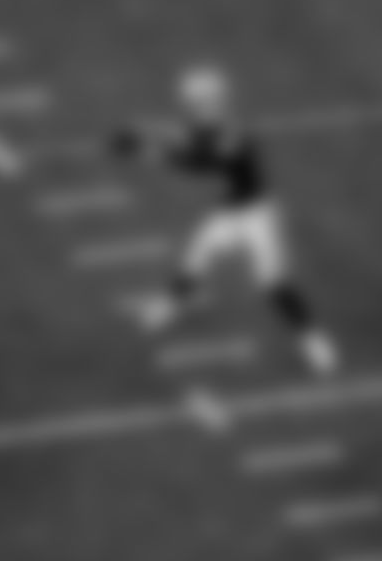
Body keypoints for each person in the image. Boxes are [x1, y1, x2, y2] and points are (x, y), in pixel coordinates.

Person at [110, 65, 340, 377]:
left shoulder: (232, 132)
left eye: (197, 101)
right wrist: (142, 134)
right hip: (231, 210)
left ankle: (314, 340)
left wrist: (144, 150)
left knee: (273, 283)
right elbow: (184, 136)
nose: (194, 107)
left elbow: (196, 163)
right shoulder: (214, 123)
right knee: (195, 257)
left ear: (212, 99)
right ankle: (170, 306)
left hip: (258, 214)